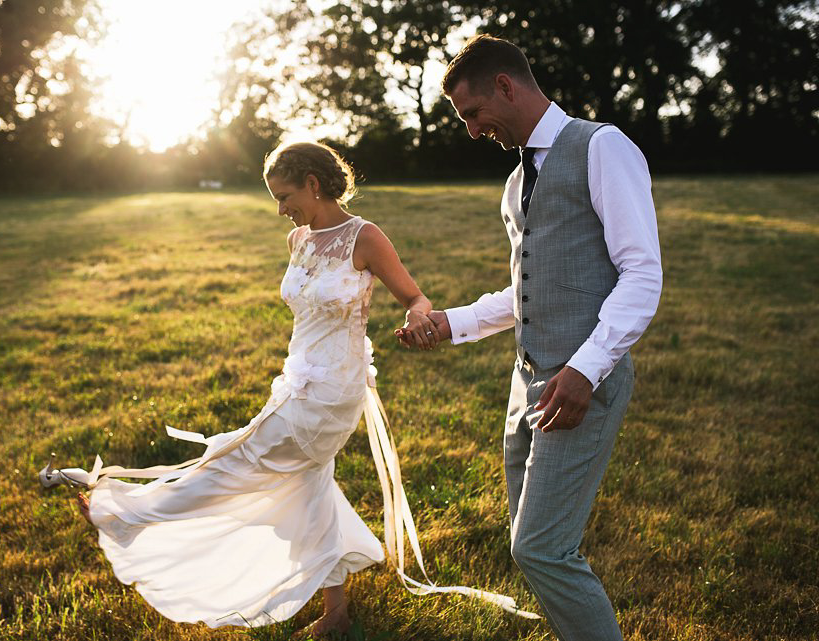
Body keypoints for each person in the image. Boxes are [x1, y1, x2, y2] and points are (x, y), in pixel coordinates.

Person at [38, 141, 533, 639]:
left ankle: (127, 514)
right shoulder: (297, 240)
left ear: (314, 185)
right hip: (295, 379)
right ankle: (335, 612)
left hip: (333, 390)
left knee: (240, 458)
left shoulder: (365, 237)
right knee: (305, 483)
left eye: (285, 195)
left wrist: (419, 317)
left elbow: (415, 295)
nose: (280, 209)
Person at [398, 35, 662, 641]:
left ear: (505, 86)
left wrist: (585, 369)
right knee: (531, 542)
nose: (471, 131)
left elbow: (643, 272)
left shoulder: (602, 147)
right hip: (527, 387)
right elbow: (533, 288)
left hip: (579, 384)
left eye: (471, 113)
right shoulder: (517, 183)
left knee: (542, 549)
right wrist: (451, 322)